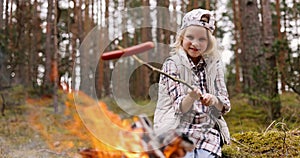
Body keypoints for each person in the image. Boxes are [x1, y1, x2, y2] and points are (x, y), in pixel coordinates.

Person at [153, 8, 231, 158]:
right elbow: (179, 108)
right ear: (182, 37)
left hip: (207, 131)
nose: (195, 43)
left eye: (202, 39)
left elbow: (225, 105)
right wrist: (191, 97)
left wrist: (214, 100)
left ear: (209, 43)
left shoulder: (215, 66)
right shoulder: (172, 65)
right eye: (190, 37)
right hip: (176, 128)